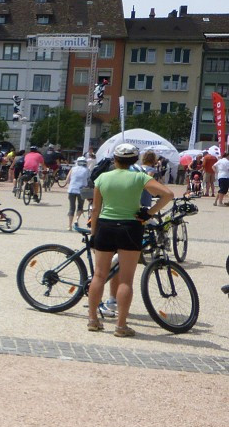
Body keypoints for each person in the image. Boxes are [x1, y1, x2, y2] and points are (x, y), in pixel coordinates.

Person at [86, 143, 173, 337]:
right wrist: (148, 213)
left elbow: (95, 210)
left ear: (114, 159)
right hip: (130, 226)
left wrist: (93, 234)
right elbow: (168, 194)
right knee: (126, 279)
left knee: (99, 275)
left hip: (105, 226)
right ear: (135, 160)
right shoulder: (139, 177)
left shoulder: (102, 178)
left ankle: (92, 319)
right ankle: (121, 325)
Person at [64, 156, 91, 231]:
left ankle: (69, 225)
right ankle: (76, 220)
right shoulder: (87, 170)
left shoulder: (73, 169)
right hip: (82, 191)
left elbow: (67, 180)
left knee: (71, 207)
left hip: (72, 190)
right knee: (80, 206)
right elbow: (89, 180)